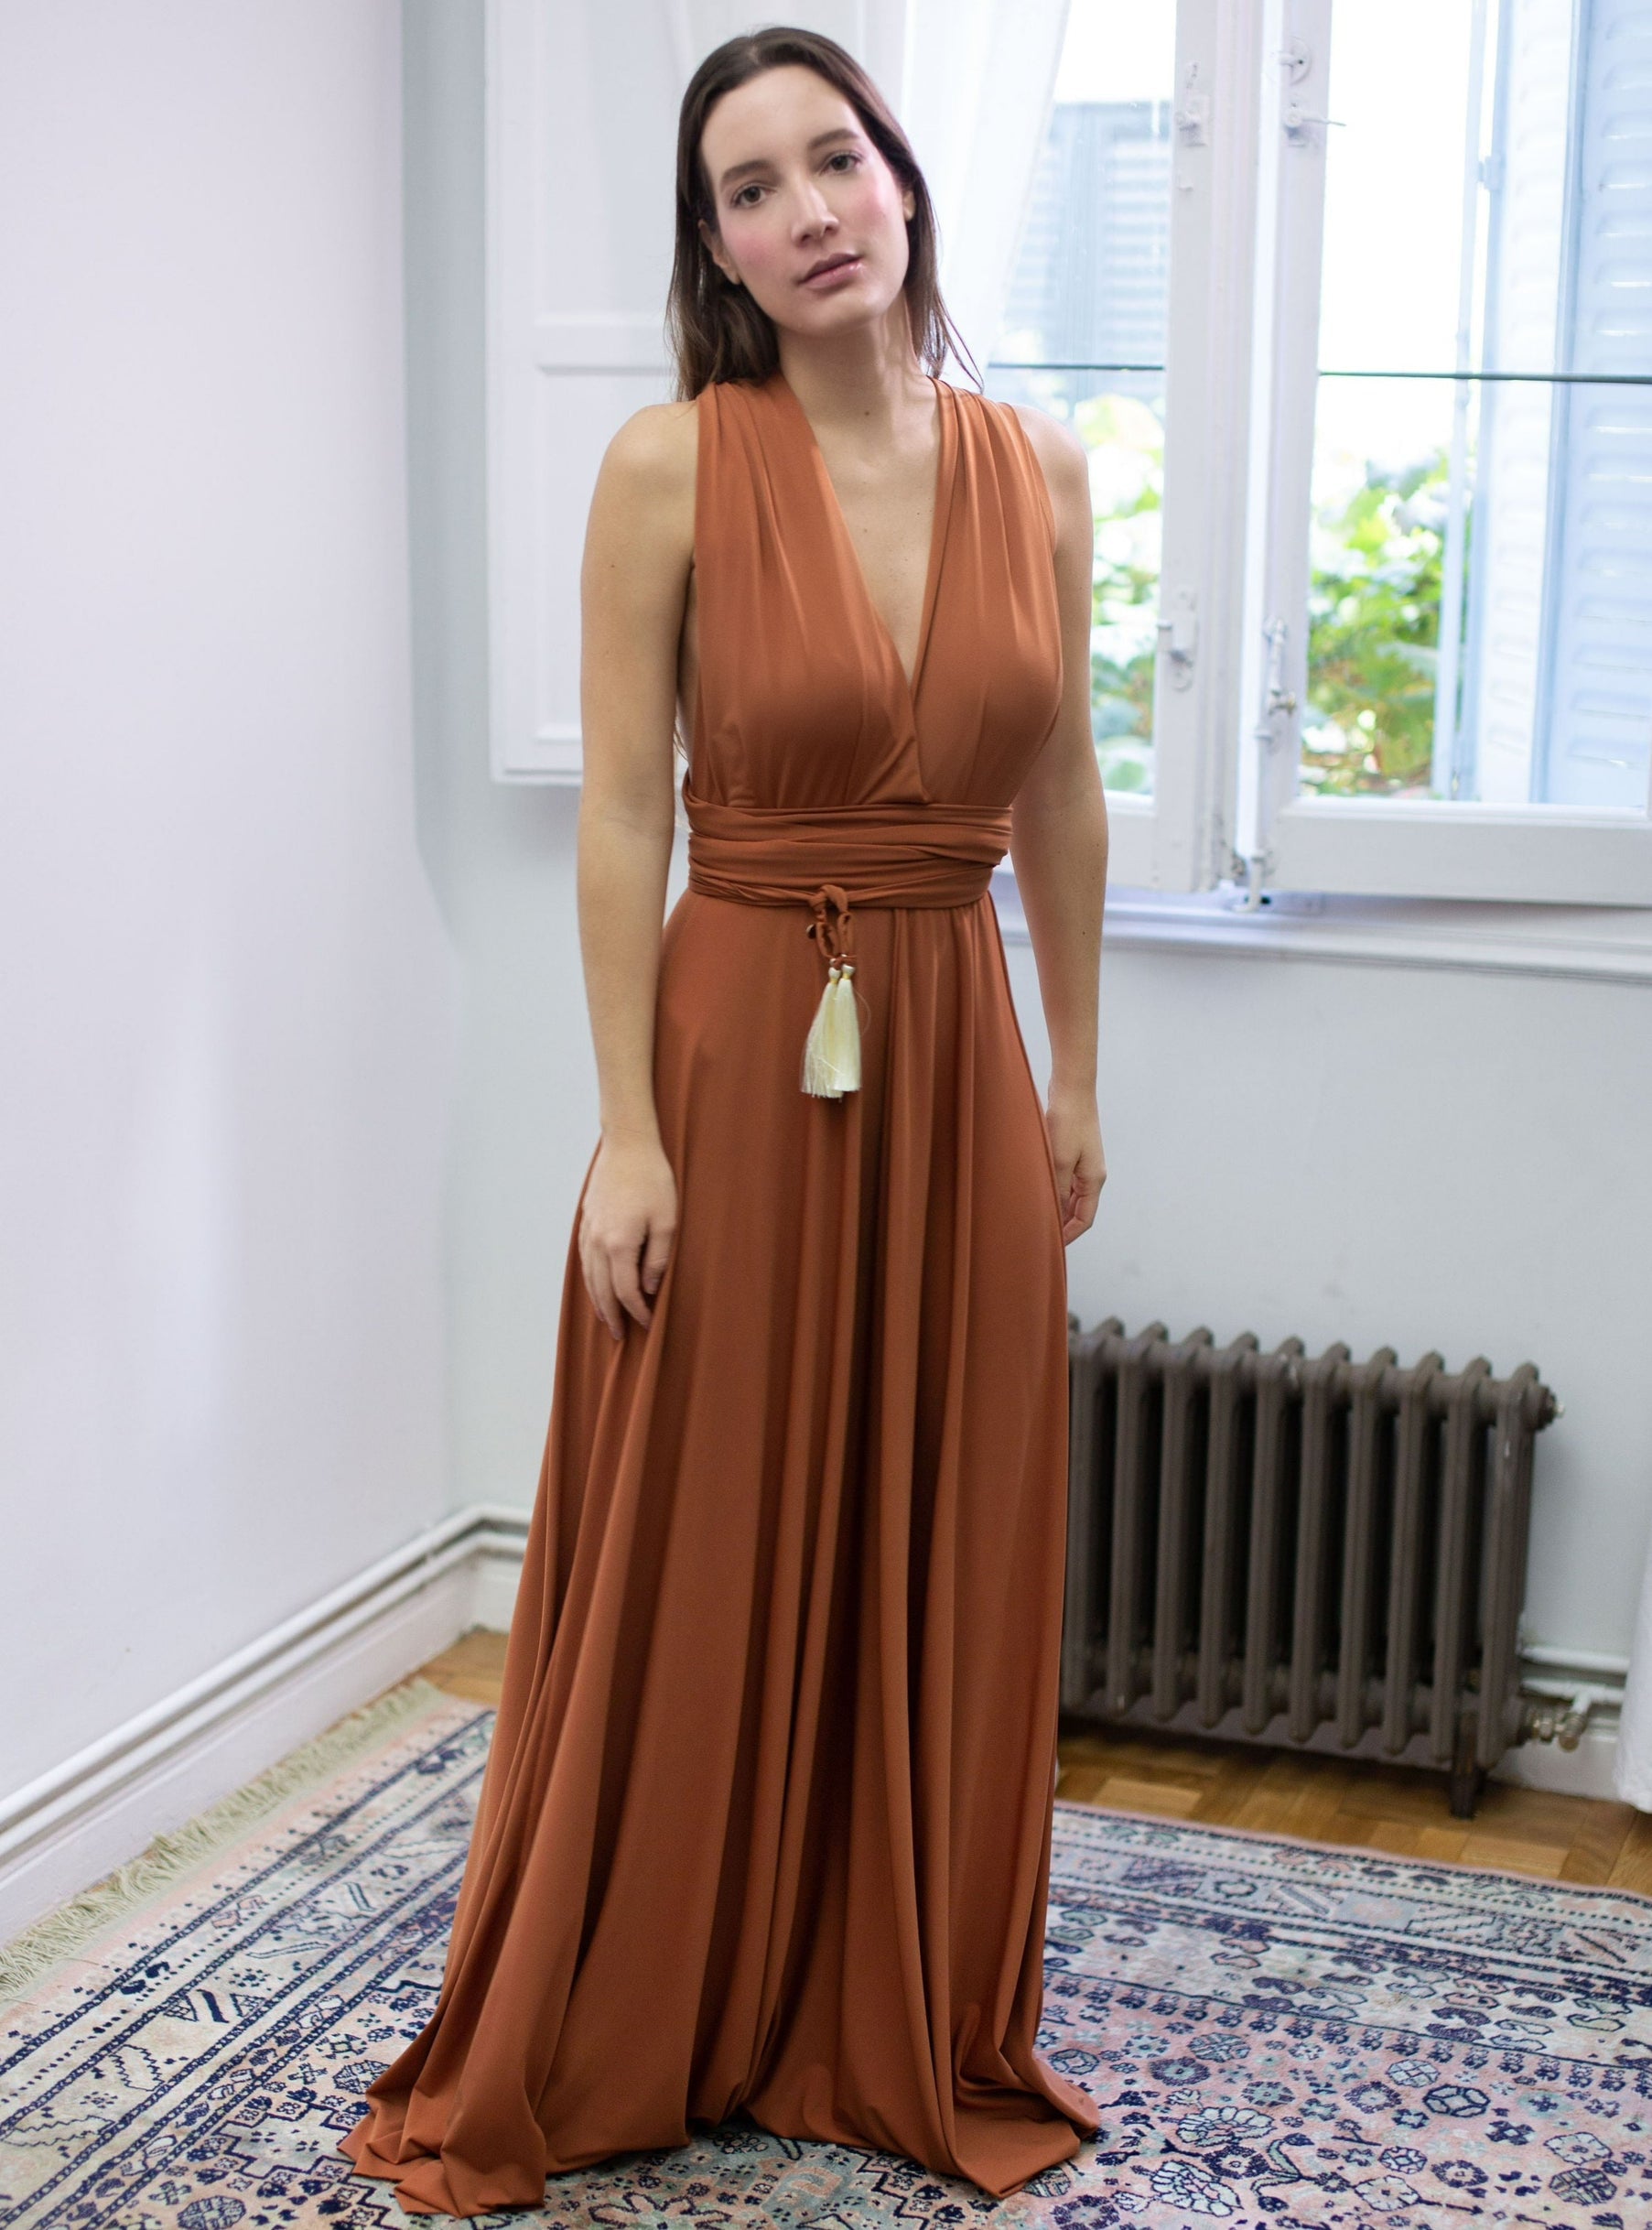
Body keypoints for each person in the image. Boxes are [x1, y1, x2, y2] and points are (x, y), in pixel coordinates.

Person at [341, 23, 1108, 2217]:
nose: (809, 212)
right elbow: (617, 818)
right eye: (750, 190)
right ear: (719, 252)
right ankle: (652, 1999)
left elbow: (1062, 791)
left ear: (904, 179)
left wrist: (1077, 1072)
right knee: (702, 1519)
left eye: (834, 159)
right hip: (733, 1036)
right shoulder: (672, 466)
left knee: (942, 1510)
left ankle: (880, 2003)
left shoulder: (1042, 469)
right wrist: (627, 1132)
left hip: (953, 1040)